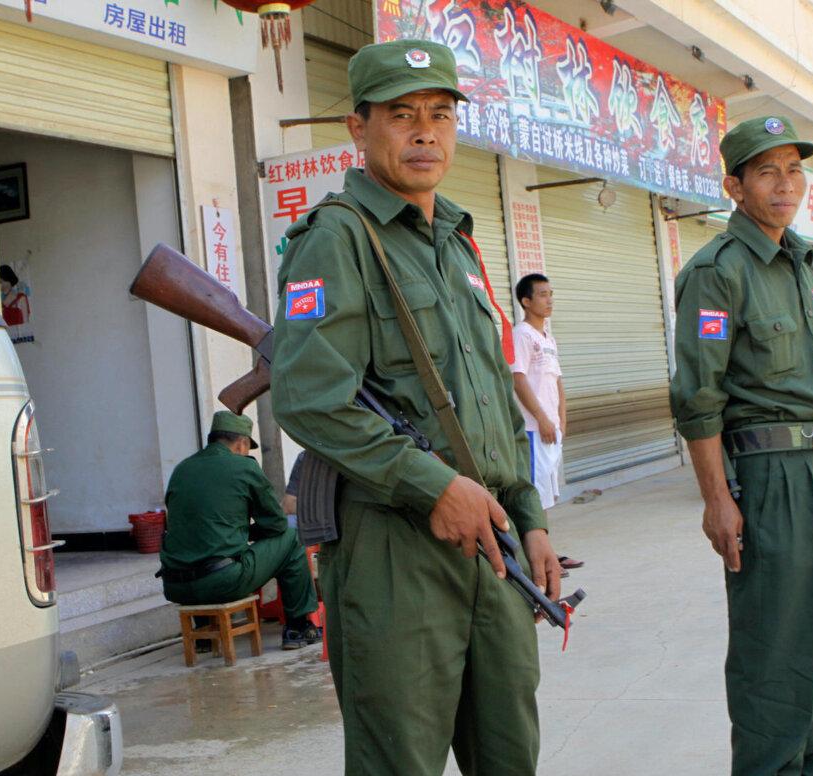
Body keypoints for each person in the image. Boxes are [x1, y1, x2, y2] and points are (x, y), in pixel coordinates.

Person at [269, 39, 561, 776]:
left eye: (439, 114)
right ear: (357, 128)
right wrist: (433, 486)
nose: (425, 132)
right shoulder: (337, 239)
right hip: (394, 553)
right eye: (402, 115)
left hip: (489, 548)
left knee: (511, 757)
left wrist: (530, 518)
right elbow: (308, 397)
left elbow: (493, 405)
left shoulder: (457, 246)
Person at [669, 116, 813, 776]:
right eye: (768, 172)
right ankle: (770, 767)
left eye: (795, 169)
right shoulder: (716, 273)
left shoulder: (802, 260)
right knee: (773, 639)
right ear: (735, 186)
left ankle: (812, 760)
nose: (786, 184)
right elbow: (698, 396)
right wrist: (717, 499)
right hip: (771, 471)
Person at [158, 411, 320, 649]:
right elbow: (276, 524)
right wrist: (247, 532)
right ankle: (298, 628)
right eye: (247, 448)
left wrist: (238, 532)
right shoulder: (243, 467)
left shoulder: (182, 469)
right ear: (242, 443)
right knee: (291, 539)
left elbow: (193, 528)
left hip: (175, 585)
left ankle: (205, 636)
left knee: (203, 550)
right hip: (223, 581)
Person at [510, 273, 582, 570]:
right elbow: (518, 378)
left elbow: (558, 384)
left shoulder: (548, 339)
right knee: (533, 495)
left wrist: (561, 420)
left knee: (545, 496)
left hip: (551, 430)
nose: (549, 299)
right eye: (542, 294)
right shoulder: (522, 334)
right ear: (526, 301)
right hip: (532, 429)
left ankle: (547, 553)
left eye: (551, 293)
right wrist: (541, 418)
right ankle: (537, 559)